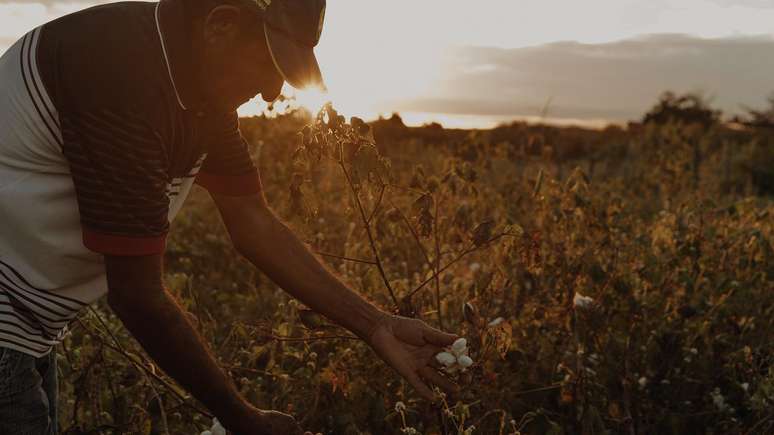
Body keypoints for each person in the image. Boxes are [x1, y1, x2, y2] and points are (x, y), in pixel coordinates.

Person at [0, 0, 460, 433]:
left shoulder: (198, 86)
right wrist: (242, 418)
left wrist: (375, 324)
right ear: (221, 25)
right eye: (268, 61)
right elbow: (136, 296)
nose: (270, 90)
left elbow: (253, 222)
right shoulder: (118, 74)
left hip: (29, 331)